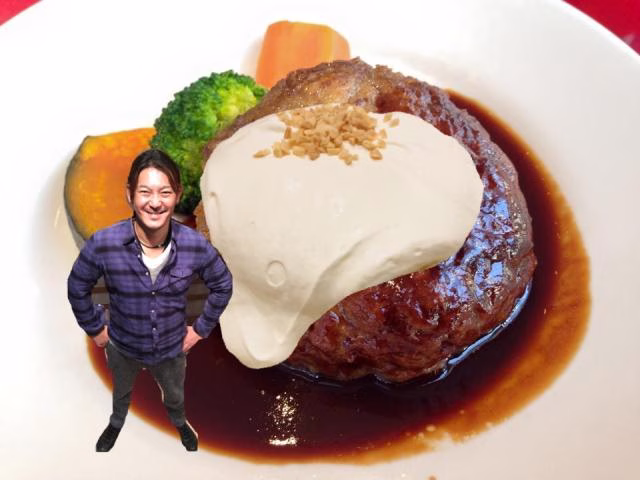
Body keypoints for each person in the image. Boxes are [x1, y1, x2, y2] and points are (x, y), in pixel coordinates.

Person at [67, 148, 232, 452]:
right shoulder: (104, 243)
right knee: (121, 393)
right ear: (129, 195)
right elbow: (77, 285)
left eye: (164, 192)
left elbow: (222, 284)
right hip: (122, 345)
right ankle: (115, 424)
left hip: (171, 348)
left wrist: (199, 330)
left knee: (174, 396)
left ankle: (181, 424)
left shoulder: (194, 244)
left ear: (177, 195)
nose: (155, 202)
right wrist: (96, 330)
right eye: (145, 192)